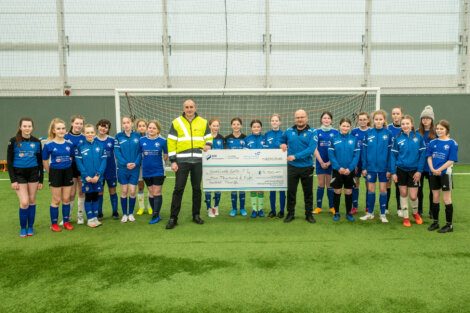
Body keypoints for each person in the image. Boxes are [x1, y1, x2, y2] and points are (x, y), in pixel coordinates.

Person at [166, 99, 212, 229]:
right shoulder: (176, 122)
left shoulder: (203, 122)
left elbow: (208, 136)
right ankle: (173, 217)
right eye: (187, 107)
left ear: (195, 107)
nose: (189, 109)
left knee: (196, 189)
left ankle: (196, 215)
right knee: (178, 189)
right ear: (183, 108)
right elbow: (171, 141)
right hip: (181, 161)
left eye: (191, 107)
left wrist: (208, 144)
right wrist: (173, 160)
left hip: (198, 160)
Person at [7, 118, 43, 237]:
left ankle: (30, 227)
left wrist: (41, 179)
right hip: (19, 175)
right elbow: (10, 162)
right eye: (25, 126)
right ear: (20, 127)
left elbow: (40, 162)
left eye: (29, 126)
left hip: (33, 174)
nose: (27, 128)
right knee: (24, 202)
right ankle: (23, 227)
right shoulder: (13, 141)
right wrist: (13, 180)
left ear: (32, 128)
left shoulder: (37, 142)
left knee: (32, 201)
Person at [280, 109, 317, 223]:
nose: (300, 119)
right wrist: (281, 144)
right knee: (291, 191)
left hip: (307, 167)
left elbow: (311, 149)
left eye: (302, 117)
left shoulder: (312, 132)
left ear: (306, 118)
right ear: (294, 119)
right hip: (292, 167)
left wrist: (295, 156)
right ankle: (290, 214)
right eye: (297, 117)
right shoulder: (288, 131)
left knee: (308, 192)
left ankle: (308, 214)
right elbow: (281, 140)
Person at [390, 115, 426, 227]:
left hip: (414, 171)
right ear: (401, 126)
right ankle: (406, 217)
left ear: (411, 124)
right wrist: (393, 172)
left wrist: (419, 171)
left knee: (413, 196)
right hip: (401, 170)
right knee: (403, 193)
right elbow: (393, 156)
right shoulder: (397, 138)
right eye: (403, 124)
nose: (405, 126)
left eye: (407, 123)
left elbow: (422, 155)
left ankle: (415, 214)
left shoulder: (419, 137)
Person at [360, 110, 393, 223]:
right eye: (376, 119)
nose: (378, 121)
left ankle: (383, 214)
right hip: (371, 168)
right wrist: (364, 167)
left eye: (380, 119)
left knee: (383, 189)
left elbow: (390, 153)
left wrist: (389, 168)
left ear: (384, 120)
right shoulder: (368, 134)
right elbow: (364, 152)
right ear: (372, 120)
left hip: (384, 168)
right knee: (370, 190)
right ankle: (370, 213)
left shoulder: (388, 134)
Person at [42, 118, 75, 232]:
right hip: (55, 172)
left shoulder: (69, 144)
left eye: (63, 128)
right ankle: (54, 224)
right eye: (58, 128)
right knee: (56, 200)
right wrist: (50, 172)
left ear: (66, 130)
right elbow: (45, 160)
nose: (61, 130)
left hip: (67, 172)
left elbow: (71, 157)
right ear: (54, 130)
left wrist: (67, 166)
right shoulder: (48, 145)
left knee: (66, 198)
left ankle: (66, 222)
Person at [426, 120, 458, 233]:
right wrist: (433, 169)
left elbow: (451, 160)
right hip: (433, 173)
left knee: (446, 199)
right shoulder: (432, 142)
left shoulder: (452, 143)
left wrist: (439, 169)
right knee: (435, 197)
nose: (439, 130)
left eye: (442, 129)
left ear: (447, 130)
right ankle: (435, 222)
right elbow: (429, 157)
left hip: (445, 174)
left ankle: (449, 225)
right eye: (438, 128)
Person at [328, 118, 360, 222]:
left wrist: (350, 168)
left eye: (347, 126)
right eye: (343, 125)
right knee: (337, 191)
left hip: (349, 171)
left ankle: (348, 213)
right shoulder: (334, 139)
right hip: (338, 170)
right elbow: (331, 155)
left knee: (349, 191)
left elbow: (356, 156)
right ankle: (336, 213)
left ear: (350, 127)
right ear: (340, 126)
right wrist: (338, 167)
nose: (345, 128)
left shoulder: (354, 140)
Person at [75, 124, 107, 228]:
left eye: (92, 132)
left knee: (96, 196)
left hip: (98, 177)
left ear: (95, 133)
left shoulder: (100, 146)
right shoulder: (80, 147)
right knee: (88, 197)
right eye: (87, 132)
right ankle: (90, 219)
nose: (90, 134)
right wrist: (86, 176)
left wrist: (98, 175)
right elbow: (79, 163)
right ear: (84, 133)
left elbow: (103, 161)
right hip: (87, 178)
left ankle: (95, 218)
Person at [138, 120, 168, 224]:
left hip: (158, 171)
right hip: (146, 171)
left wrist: (161, 163)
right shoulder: (141, 140)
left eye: (154, 128)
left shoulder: (163, 141)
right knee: (151, 192)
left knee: (156, 192)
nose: (151, 129)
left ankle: (155, 215)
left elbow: (166, 155)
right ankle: (156, 213)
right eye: (150, 127)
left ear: (158, 130)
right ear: (147, 129)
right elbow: (139, 154)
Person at [114, 116, 141, 223]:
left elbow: (140, 152)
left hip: (134, 168)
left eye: (128, 122)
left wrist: (135, 163)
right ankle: (124, 214)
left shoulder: (137, 136)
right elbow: (117, 152)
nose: (126, 124)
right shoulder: (118, 137)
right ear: (122, 125)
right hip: (122, 169)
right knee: (124, 191)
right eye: (124, 123)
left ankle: (131, 213)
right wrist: (125, 163)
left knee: (133, 191)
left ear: (132, 124)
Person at [313, 111, 338, 215]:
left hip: (331, 163)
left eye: (328, 118)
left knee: (329, 185)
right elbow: (314, 147)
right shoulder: (316, 132)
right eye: (324, 118)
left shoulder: (336, 132)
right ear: (321, 120)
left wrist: (329, 162)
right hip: (320, 162)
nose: (326, 120)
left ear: (331, 120)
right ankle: (318, 207)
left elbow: (337, 150)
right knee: (321, 184)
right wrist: (321, 161)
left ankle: (332, 207)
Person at [96, 119, 119, 219]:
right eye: (101, 126)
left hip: (111, 169)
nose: (103, 128)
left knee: (112, 190)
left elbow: (118, 154)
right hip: (98, 170)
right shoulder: (93, 140)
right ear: (97, 126)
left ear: (108, 129)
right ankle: (99, 213)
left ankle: (115, 212)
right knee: (99, 191)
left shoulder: (112, 140)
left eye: (106, 127)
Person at [65, 115, 86, 224]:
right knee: (71, 193)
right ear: (72, 123)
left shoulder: (85, 137)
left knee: (82, 191)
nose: (78, 125)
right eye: (77, 123)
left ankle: (80, 215)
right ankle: (67, 216)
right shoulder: (65, 136)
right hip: (70, 167)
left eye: (81, 124)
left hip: (82, 166)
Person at [225, 117, 247, 217]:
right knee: (233, 188)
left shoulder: (245, 137)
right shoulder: (227, 138)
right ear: (231, 126)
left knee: (242, 188)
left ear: (241, 125)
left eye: (238, 124)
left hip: (243, 167)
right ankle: (234, 209)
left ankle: (242, 208)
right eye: (234, 124)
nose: (236, 126)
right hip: (232, 167)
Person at [265, 113, 286, 218]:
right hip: (270, 166)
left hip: (282, 166)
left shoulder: (284, 134)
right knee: (272, 188)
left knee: (282, 188)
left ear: (280, 122)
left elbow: (288, 148)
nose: (274, 122)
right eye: (272, 120)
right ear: (270, 122)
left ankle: (282, 211)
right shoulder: (267, 134)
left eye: (276, 120)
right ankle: (272, 210)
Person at [245, 119, 267, 218]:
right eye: (254, 127)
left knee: (261, 188)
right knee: (253, 188)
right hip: (251, 167)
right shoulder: (247, 139)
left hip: (262, 167)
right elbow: (244, 154)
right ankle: (254, 209)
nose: (256, 128)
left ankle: (260, 209)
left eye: (258, 126)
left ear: (261, 128)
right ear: (251, 128)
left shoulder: (264, 138)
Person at [418, 105, 436, 218]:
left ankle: (432, 210)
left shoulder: (436, 133)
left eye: (428, 118)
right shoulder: (417, 132)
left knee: (432, 190)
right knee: (419, 190)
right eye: (423, 118)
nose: (425, 120)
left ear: (432, 120)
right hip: (419, 166)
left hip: (431, 166)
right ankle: (419, 210)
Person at [351, 112, 370, 214]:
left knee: (368, 184)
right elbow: (351, 148)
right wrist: (353, 164)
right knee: (355, 183)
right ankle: (354, 206)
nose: (362, 121)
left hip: (368, 163)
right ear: (358, 120)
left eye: (364, 119)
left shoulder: (371, 132)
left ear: (368, 120)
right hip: (356, 163)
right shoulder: (354, 132)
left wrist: (366, 165)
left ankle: (368, 207)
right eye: (360, 119)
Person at [204, 118, 224, 218]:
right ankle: (209, 208)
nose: (215, 127)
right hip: (207, 168)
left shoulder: (221, 138)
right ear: (209, 126)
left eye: (217, 126)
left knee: (218, 188)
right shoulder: (205, 138)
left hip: (219, 167)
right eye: (213, 125)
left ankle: (216, 207)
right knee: (208, 188)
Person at [387, 107, 404, 215]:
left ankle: (399, 208)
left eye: (397, 113)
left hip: (400, 162)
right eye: (393, 113)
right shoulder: (387, 128)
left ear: (401, 114)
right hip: (388, 161)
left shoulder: (405, 128)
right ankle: (386, 208)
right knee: (387, 184)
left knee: (398, 184)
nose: (395, 115)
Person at [135, 118, 151, 216]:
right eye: (139, 126)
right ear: (137, 128)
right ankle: (141, 207)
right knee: (140, 187)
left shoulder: (151, 136)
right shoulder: (134, 138)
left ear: (147, 127)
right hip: (139, 166)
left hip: (149, 166)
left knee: (150, 187)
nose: (142, 127)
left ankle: (150, 207)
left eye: (143, 126)